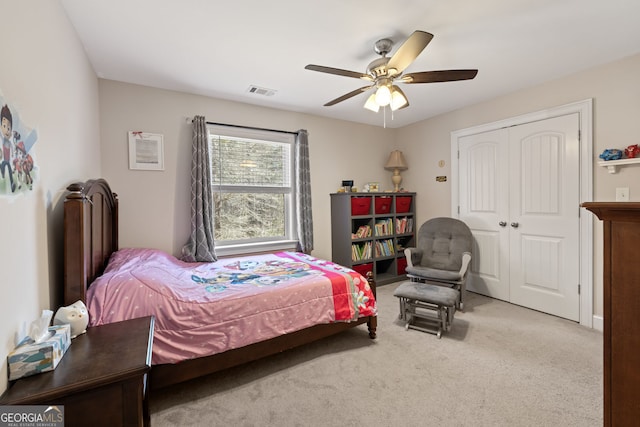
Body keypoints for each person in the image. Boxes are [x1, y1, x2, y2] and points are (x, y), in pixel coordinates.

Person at [0, 104, 16, 193]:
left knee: (9, 169)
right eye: (4, 126)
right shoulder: (2, 139)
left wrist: (13, 154)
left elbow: (12, 150)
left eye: (9, 128)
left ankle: (12, 183)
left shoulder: (9, 142)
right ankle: (2, 174)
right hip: (3, 161)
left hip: (8, 161)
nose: (7, 130)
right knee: (2, 166)